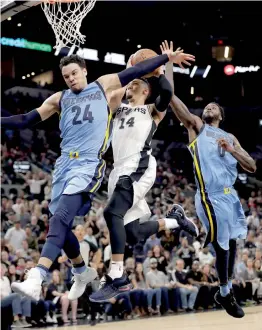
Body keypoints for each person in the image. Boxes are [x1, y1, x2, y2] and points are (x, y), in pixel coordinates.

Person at [1, 49, 193, 302]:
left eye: (74, 73)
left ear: (85, 71)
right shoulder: (66, 99)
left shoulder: (109, 92)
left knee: (95, 215)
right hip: (70, 167)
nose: (70, 78)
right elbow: (26, 119)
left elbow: (136, 75)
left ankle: (47, 276)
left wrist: (162, 63)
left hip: (105, 165)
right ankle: (82, 269)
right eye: (65, 75)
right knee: (125, 231)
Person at [90, 50, 197, 303]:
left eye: (136, 84)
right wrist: (131, 71)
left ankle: (117, 276)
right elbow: (113, 90)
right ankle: (175, 221)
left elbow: (167, 95)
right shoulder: (118, 108)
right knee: (133, 232)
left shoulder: (151, 111)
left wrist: (160, 69)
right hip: (118, 171)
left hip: (139, 166)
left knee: (111, 213)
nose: (131, 87)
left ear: (146, 91)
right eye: (130, 84)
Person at [162, 40, 256, 318]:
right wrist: (166, 63)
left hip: (230, 196)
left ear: (222, 115)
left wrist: (235, 150)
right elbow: (171, 99)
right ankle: (225, 293)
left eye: (215, 106)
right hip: (209, 195)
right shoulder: (197, 128)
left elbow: (251, 166)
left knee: (233, 243)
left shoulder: (230, 137)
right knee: (220, 244)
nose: (211, 107)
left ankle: (224, 291)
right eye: (209, 106)